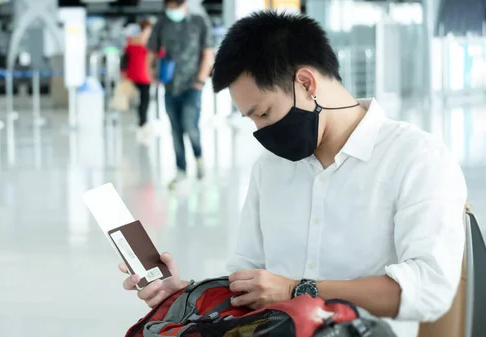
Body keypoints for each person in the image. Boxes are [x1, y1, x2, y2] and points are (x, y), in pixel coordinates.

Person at [120, 11, 467, 337]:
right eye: (251, 120)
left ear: (306, 83)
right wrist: (190, 296)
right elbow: (250, 280)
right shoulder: (270, 169)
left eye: (265, 113)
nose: (261, 131)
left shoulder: (415, 159)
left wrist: (298, 290)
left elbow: (430, 289)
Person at [146, 0, 215, 188]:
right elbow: (152, 49)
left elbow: (208, 52)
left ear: (183, 4)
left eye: (174, 6)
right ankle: (181, 170)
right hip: (170, 85)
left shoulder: (199, 21)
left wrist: (200, 80)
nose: (171, 10)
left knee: (190, 125)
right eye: (168, 7)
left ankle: (199, 158)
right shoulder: (163, 22)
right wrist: (150, 71)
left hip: (192, 85)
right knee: (175, 130)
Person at [122, 19, 154, 139]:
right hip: (143, 75)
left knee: (141, 100)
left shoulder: (131, 41)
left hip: (136, 74)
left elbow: (125, 57)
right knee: (143, 100)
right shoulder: (148, 43)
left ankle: (142, 121)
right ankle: (143, 122)